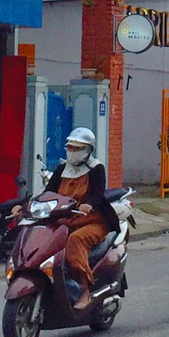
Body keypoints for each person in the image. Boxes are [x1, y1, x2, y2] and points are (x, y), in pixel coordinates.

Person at [42, 127, 120, 312]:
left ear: (88, 150)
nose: (73, 152)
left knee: (75, 241)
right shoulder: (62, 169)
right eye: (70, 148)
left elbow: (98, 195)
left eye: (78, 149)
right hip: (66, 220)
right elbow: (48, 193)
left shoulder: (96, 168)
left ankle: (84, 290)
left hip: (92, 220)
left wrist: (89, 205)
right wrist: (30, 205)